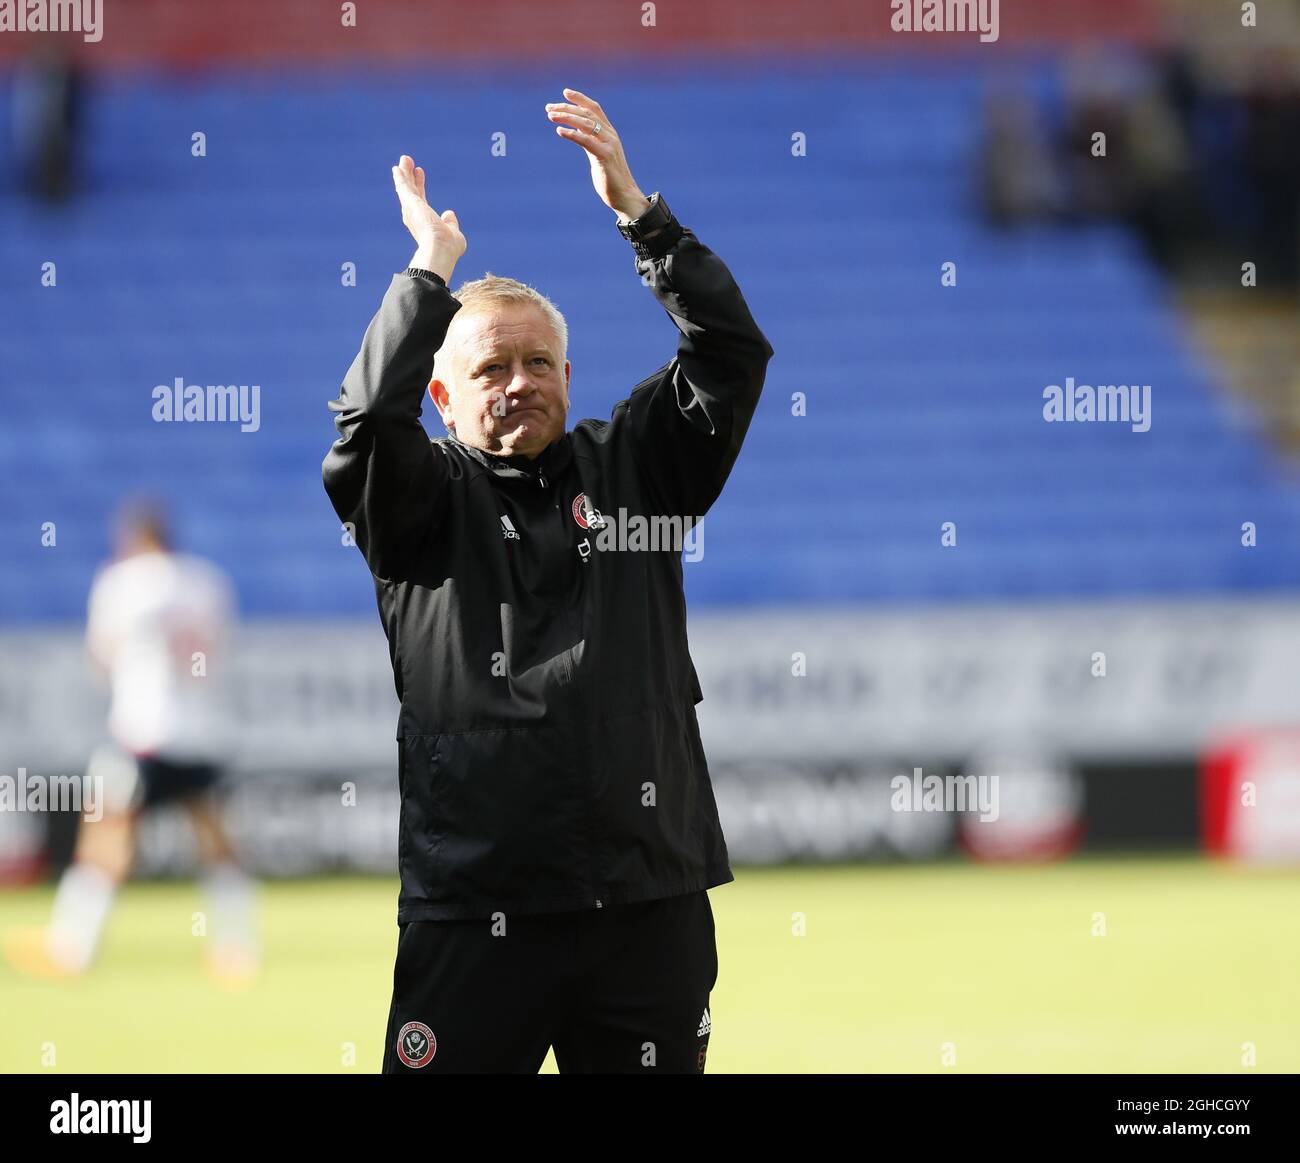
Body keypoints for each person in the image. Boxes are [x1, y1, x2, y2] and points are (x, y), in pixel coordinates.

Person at [322, 87, 773, 1073]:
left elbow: (730, 354)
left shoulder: (637, 470)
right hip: (471, 910)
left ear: (570, 376)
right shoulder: (415, 504)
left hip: (645, 903)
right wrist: (426, 274)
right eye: (489, 369)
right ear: (439, 396)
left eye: (539, 362)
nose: (519, 381)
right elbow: (363, 428)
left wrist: (637, 213)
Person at [2, 501, 259, 987]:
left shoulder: (122, 583)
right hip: (200, 731)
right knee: (215, 841)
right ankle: (237, 947)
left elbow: (102, 658)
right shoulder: (205, 581)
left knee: (105, 838)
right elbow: (220, 650)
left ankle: (72, 947)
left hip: (143, 732)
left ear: (133, 538)